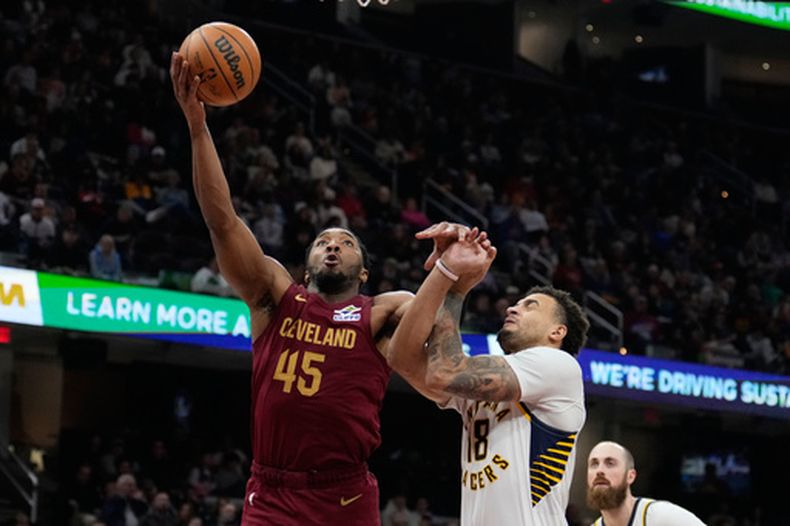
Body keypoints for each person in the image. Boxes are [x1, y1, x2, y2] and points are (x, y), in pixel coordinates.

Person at [171, 52, 430, 525]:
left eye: (346, 243)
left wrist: (447, 273)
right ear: (306, 265)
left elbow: (428, 324)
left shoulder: (383, 312)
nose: (332, 247)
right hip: (272, 493)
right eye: (322, 242)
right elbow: (222, 222)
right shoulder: (276, 297)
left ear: (364, 272)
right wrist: (197, 128)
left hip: (346, 494)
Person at [389, 222, 590, 525]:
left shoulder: (558, 366)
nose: (512, 308)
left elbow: (442, 373)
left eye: (530, 306)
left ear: (557, 331)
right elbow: (401, 358)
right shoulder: (493, 381)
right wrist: (444, 271)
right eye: (516, 303)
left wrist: (456, 287)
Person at [586, 441, 706, 525]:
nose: (600, 470)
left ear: (630, 476)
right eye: (594, 464)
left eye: (610, 463)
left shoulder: (664, 516)